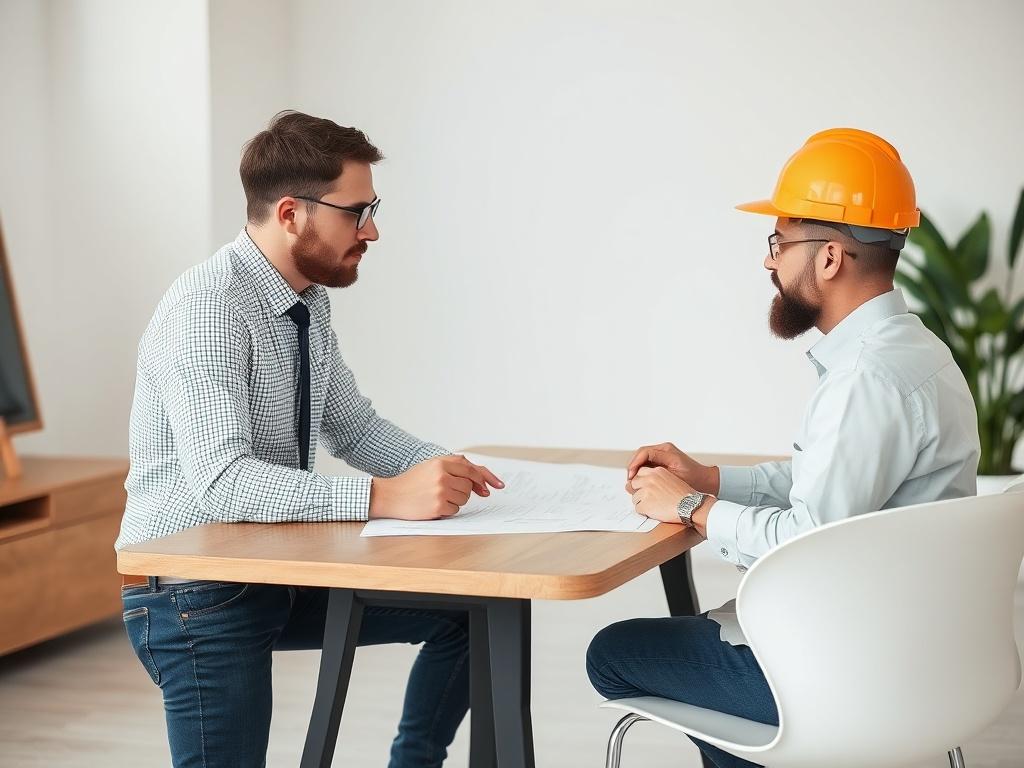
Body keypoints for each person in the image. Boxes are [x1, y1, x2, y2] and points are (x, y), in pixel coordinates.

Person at [116, 110, 503, 768]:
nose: (373, 230)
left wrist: (447, 469)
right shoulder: (206, 308)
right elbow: (223, 483)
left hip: (269, 566)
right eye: (357, 212)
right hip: (193, 591)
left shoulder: (306, 298)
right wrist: (385, 497)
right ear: (292, 212)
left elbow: (353, 426)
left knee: (471, 612)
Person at [586, 128, 980, 768]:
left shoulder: (865, 382)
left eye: (779, 243)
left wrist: (691, 507)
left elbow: (806, 536)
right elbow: (828, 482)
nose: (768, 262)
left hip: (849, 675)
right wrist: (712, 479)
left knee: (615, 652)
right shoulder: (916, 355)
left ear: (829, 258)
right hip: (922, 658)